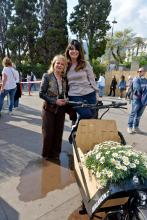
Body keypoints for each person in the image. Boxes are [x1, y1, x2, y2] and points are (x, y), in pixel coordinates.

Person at [39, 54, 68, 160]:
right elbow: (41, 93)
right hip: (49, 109)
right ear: (53, 64)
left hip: (61, 109)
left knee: (58, 133)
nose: (59, 65)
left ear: (64, 66)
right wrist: (55, 101)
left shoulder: (64, 78)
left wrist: (66, 100)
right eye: (58, 63)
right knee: (48, 133)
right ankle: (46, 155)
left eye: (62, 64)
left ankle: (56, 154)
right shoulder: (47, 76)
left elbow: (66, 93)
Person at [65, 39, 98, 119]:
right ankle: (75, 128)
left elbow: (92, 80)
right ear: (68, 51)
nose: (74, 51)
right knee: (86, 115)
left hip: (90, 94)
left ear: (79, 51)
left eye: (76, 49)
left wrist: (96, 93)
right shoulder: (65, 65)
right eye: (72, 49)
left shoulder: (85, 64)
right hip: (74, 95)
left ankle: (76, 130)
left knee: (92, 117)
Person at [127, 67, 147, 134]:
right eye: (140, 71)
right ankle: (129, 127)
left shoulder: (145, 80)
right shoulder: (136, 79)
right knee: (133, 113)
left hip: (144, 100)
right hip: (137, 99)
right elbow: (138, 89)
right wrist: (145, 90)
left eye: (142, 71)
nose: (141, 72)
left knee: (139, 115)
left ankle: (135, 127)